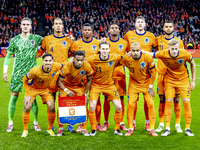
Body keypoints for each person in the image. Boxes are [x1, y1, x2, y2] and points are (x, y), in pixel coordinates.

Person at [144, 39, 195, 136]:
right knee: (168, 102)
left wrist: (192, 81)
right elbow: (151, 54)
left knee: (186, 103)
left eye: (176, 49)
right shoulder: (164, 53)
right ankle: (167, 129)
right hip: (170, 81)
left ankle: (187, 129)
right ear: (169, 48)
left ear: (178, 48)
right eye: (173, 49)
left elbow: (192, 64)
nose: (175, 51)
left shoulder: (184, 54)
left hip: (183, 80)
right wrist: (141, 51)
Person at [3, 17, 43, 132]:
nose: (26, 26)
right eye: (24, 24)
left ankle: (35, 123)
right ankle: (10, 123)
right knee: (14, 97)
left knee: (33, 99)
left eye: (28, 24)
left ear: (31, 26)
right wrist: (5, 72)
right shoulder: (14, 40)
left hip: (32, 74)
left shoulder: (36, 38)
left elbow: (48, 44)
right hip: (17, 73)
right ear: (20, 26)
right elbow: (8, 55)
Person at [36, 17, 74, 131]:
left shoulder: (68, 40)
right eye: (56, 24)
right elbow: (39, 53)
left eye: (60, 24)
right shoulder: (47, 39)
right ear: (52, 26)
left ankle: (65, 126)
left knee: (64, 101)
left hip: (64, 76)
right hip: (51, 75)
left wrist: (71, 60)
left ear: (63, 26)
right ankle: (50, 126)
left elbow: (73, 54)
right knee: (51, 102)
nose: (58, 26)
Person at [124, 16, 157, 131]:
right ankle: (132, 123)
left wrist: (147, 53)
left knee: (148, 101)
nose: (140, 24)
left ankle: (148, 123)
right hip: (134, 72)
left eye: (142, 22)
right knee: (133, 102)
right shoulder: (128, 35)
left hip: (147, 73)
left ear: (145, 24)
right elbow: (124, 48)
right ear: (135, 24)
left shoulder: (151, 36)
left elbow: (157, 50)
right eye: (138, 22)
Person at [120, 42, 158, 137]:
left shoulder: (147, 57)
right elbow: (116, 62)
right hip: (133, 85)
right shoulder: (126, 58)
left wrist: (150, 86)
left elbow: (153, 72)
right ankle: (130, 128)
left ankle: (152, 128)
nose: (136, 52)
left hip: (146, 84)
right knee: (131, 105)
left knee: (151, 104)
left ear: (141, 50)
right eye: (133, 51)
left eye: (137, 50)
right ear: (130, 51)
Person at [21, 53, 62, 137]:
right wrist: (27, 92)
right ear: (42, 61)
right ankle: (25, 130)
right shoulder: (35, 71)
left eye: (50, 61)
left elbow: (64, 65)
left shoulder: (56, 66)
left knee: (52, 106)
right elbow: (25, 79)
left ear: (52, 61)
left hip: (45, 89)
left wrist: (71, 61)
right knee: (27, 106)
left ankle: (50, 129)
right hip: (33, 89)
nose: (48, 62)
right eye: (46, 60)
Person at [87, 41, 123, 136]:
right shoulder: (92, 59)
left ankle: (116, 129)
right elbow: (83, 62)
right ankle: (93, 129)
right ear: (99, 49)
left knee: (119, 106)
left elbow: (125, 58)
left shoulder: (114, 57)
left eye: (106, 49)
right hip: (96, 85)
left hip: (109, 85)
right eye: (103, 49)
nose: (105, 51)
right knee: (92, 106)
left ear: (109, 49)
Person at [155, 21, 184, 133]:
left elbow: (182, 58)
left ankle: (177, 125)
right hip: (162, 74)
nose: (168, 28)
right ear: (163, 28)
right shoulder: (158, 39)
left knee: (176, 99)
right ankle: (161, 124)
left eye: (170, 26)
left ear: (173, 28)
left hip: (174, 75)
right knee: (162, 99)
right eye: (166, 26)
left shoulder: (179, 42)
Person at [70, 23, 100, 132]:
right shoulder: (76, 44)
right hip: (79, 77)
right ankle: (81, 124)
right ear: (82, 31)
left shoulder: (97, 43)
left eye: (89, 30)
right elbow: (70, 55)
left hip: (95, 77)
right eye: (85, 30)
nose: (87, 32)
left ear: (92, 31)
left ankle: (98, 123)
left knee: (96, 101)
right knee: (82, 100)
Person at [56, 51, 93, 136]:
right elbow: (59, 82)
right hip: (66, 85)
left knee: (85, 103)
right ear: (73, 59)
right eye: (77, 60)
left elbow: (89, 80)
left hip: (78, 86)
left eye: (81, 60)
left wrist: (85, 94)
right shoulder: (68, 66)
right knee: (61, 105)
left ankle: (84, 128)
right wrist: (66, 90)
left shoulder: (86, 65)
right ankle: (60, 129)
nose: (79, 62)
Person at [101, 23, 128, 131]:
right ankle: (106, 122)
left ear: (119, 30)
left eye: (116, 28)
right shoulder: (104, 42)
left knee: (121, 99)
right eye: (112, 28)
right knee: (107, 100)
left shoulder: (124, 43)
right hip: (108, 76)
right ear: (109, 30)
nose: (114, 29)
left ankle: (121, 122)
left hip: (120, 75)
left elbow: (130, 55)